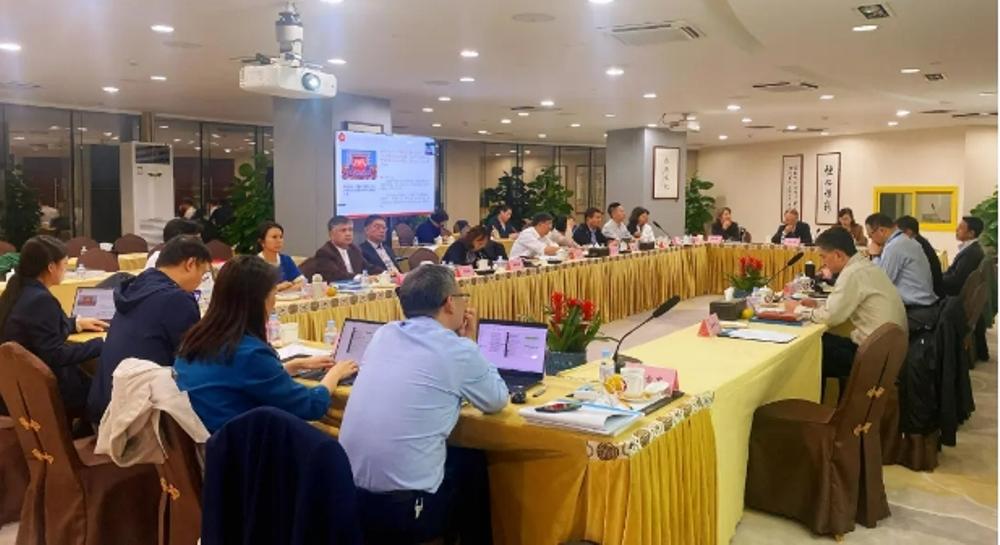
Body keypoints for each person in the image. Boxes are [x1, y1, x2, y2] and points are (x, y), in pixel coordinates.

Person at [340, 264, 507, 544]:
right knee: (474, 463)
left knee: (460, 458)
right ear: (450, 303)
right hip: (405, 509)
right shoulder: (457, 349)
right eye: (462, 296)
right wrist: (470, 343)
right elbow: (496, 400)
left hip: (351, 496)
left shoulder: (384, 334)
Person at [174, 255, 358, 433]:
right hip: (245, 446)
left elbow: (234, 379)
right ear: (259, 300)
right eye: (274, 293)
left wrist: (291, 366)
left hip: (211, 440)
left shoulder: (196, 339)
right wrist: (335, 374)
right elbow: (310, 406)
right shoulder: (248, 353)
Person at [86, 235, 213, 424]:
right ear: (190, 264)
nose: (200, 282)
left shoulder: (136, 286)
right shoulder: (176, 299)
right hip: (139, 420)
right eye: (202, 274)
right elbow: (193, 361)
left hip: (105, 407)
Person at [0, 236, 107, 419]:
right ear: (51, 267)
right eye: (64, 265)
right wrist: (100, 344)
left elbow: (36, 328)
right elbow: (56, 355)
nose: (65, 270)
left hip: (14, 387)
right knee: (105, 391)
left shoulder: (19, 289)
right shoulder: (40, 300)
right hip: (39, 392)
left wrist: (76, 324)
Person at [798, 227, 906, 393]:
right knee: (822, 340)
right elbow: (841, 306)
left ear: (838, 255)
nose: (823, 263)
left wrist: (799, 310)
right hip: (888, 350)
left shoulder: (852, 273)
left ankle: (814, 403)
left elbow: (831, 317)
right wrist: (818, 306)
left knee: (810, 350)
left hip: (871, 355)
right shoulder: (865, 266)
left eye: (824, 257)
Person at [865, 213, 938, 308]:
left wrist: (875, 256)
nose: (871, 241)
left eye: (870, 236)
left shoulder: (895, 246)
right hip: (925, 304)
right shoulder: (904, 240)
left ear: (881, 231)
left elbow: (882, 282)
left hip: (916, 308)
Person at [895, 215, 944, 297]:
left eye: (897, 233)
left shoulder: (915, 245)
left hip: (928, 293)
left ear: (908, 232)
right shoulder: (919, 242)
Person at [941, 216, 986, 297]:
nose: (956, 230)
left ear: (971, 233)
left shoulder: (971, 253)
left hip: (955, 296)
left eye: (961, 228)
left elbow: (956, 280)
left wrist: (936, 278)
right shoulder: (971, 249)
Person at [314, 216, 367, 282]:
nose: (348, 234)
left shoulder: (354, 249)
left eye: (350, 230)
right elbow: (335, 275)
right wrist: (359, 277)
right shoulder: (324, 252)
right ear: (331, 234)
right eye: (343, 230)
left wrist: (379, 273)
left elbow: (368, 267)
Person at [257, 221, 305, 291]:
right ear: (262, 242)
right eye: (274, 237)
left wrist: (285, 290)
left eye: (281, 237)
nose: (279, 241)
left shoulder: (286, 260)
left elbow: (302, 282)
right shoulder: (255, 264)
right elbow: (258, 291)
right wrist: (279, 287)